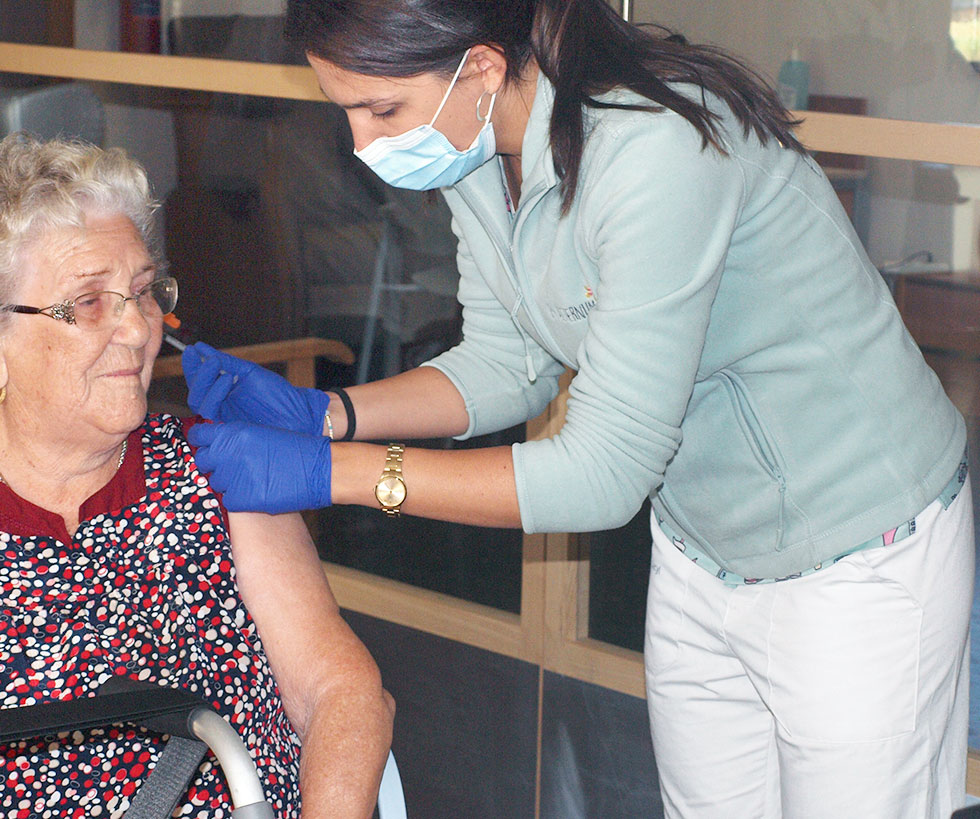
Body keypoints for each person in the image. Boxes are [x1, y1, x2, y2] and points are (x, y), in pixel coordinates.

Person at [180, 1, 975, 816]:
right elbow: (508, 361)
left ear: (483, 68)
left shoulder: (654, 147)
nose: (363, 143)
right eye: (344, 110)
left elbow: (603, 471)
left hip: (858, 551)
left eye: (383, 109)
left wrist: (331, 471)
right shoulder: (482, 149)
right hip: (707, 544)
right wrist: (327, 414)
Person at [0, 134, 394, 819]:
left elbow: (339, 688)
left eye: (142, 292)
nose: (137, 329)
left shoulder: (218, 469)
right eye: (89, 303)